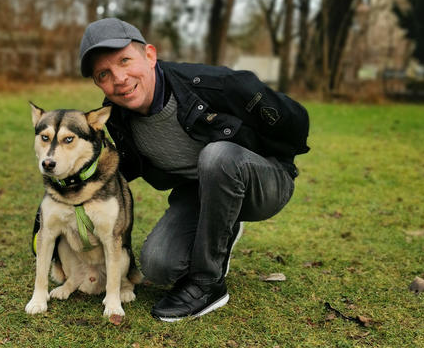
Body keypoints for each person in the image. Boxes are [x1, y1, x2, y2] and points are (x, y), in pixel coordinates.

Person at [78, 18, 310, 322]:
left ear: (149, 55)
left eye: (125, 60)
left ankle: (208, 284)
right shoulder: (117, 116)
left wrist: (275, 157)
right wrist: (56, 207)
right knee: (158, 265)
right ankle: (223, 226)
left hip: (265, 180)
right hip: (199, 190)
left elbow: (295, 120)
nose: (119, 78)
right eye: (104, 74)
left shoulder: (213, 85)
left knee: (217, 156)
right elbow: (111, 171)